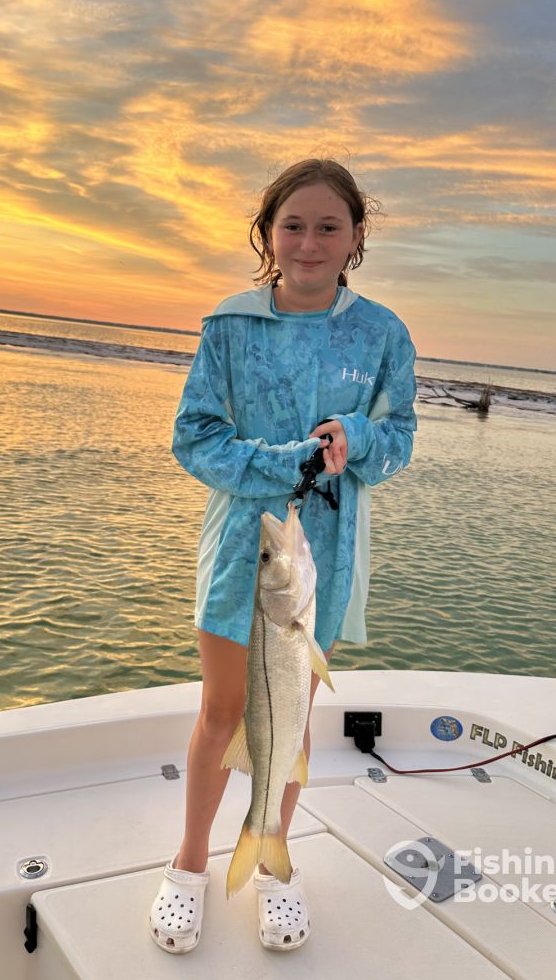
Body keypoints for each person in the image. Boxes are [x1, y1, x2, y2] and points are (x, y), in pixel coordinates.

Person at [148, 158, 417, 954]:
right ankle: (189, 863)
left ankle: (273, 862)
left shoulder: (382, 335)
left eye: (329, 227)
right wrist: (285, 461)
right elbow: (194, 438)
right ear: (267, 233)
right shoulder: (230, 327)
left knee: (291, 716)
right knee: (221, 711)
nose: (309, 242)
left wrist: (355, 438)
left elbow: (399, 439)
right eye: (292, 225)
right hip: (244, 545)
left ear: (356, 237)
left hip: (324, 549)